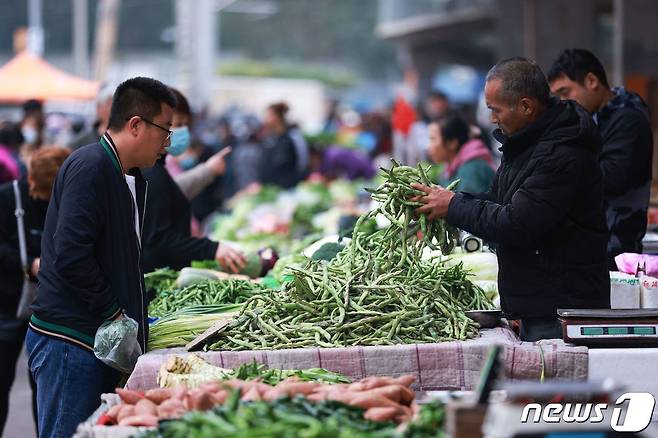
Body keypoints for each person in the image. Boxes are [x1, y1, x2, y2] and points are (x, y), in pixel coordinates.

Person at [412, 58, 610, 342]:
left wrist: (454, 205)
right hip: (540, 304)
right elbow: (498, 201)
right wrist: (445, 202)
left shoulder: (562, 153)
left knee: (559, 385)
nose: (492, 118)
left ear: (526, 107)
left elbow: (517, 222)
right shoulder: (525, 144)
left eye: (496, 110)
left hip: (562, 311)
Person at [25, 77, 176, 438]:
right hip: (70, 341)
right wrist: (113, 312)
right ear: (136, 124)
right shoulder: (90, 166)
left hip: (92, 342)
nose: (168, 142)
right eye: (165, 130)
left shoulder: (129, 176)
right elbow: (71, 255)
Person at [548, 49, 654, 270]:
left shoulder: (628, 120)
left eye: (566, 92)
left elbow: (611, 177)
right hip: (592, 243)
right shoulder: (596, 118)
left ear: (591, 81)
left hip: (615, 246)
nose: (563, 102)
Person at [0, 146, 70, 437]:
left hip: (50, 308)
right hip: (8, 303)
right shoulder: (7, 198)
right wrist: (28, 263)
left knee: (43, 387)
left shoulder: (66, 198)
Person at [142, 88, 246, 273]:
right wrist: (211, 249)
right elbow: (159, 240)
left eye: (185, 124)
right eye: (176, 124)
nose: (182, 132)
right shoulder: (149, 171)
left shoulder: (156, 168)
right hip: (155, 276)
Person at [427, 115, 495, 194]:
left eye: (433, 139)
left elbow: (469, 204)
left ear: (452, 143)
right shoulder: (450, 167)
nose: (428, 146)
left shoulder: (471, 169)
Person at [258, 102, 302, 189]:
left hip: (286, 193)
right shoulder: (269, 139)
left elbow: (301, 165)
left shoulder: (292, 138)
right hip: (269, 192)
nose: (265, 119)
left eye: (268, 116)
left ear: (277, 117)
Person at [70, 82, 114, 151]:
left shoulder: (126, 141)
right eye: (109, 104)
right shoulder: (82, 142)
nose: (114, 108)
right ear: (98, 108)